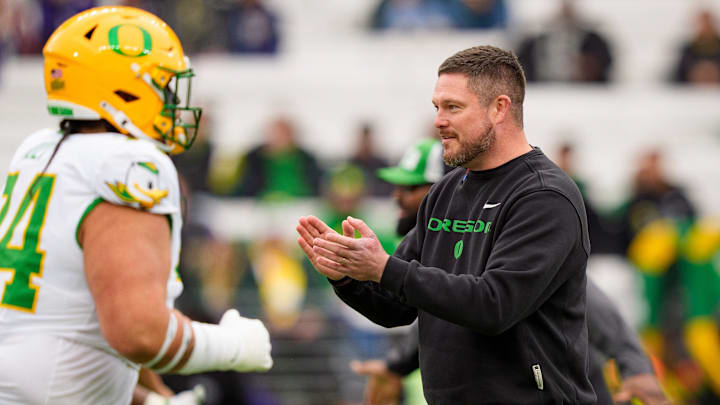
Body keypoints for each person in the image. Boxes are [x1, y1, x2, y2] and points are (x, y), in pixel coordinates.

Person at [0, 7, 272, 405]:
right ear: (124, 89)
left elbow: (76, 315)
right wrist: (233, 345)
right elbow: (137, 332)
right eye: (163, 85)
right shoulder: (126, 163)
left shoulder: (38, 149)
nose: (172, 100)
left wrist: (150, 398)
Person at [298, 45, 596, 403]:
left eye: (453, 107)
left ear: (499, 108)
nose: (438, 120)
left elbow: (494, 305)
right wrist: (344, 273)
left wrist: (384, 267)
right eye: (437, 107)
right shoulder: (446, 191)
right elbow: (396, 307)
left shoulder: (545, 196)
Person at [352, 138, 669, 405]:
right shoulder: (443, 238)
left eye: (411, 186)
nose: (398, 196)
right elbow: (447, 309)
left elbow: (590, 300)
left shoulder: (505, 225)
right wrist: (396, 364)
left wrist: (634, 365)